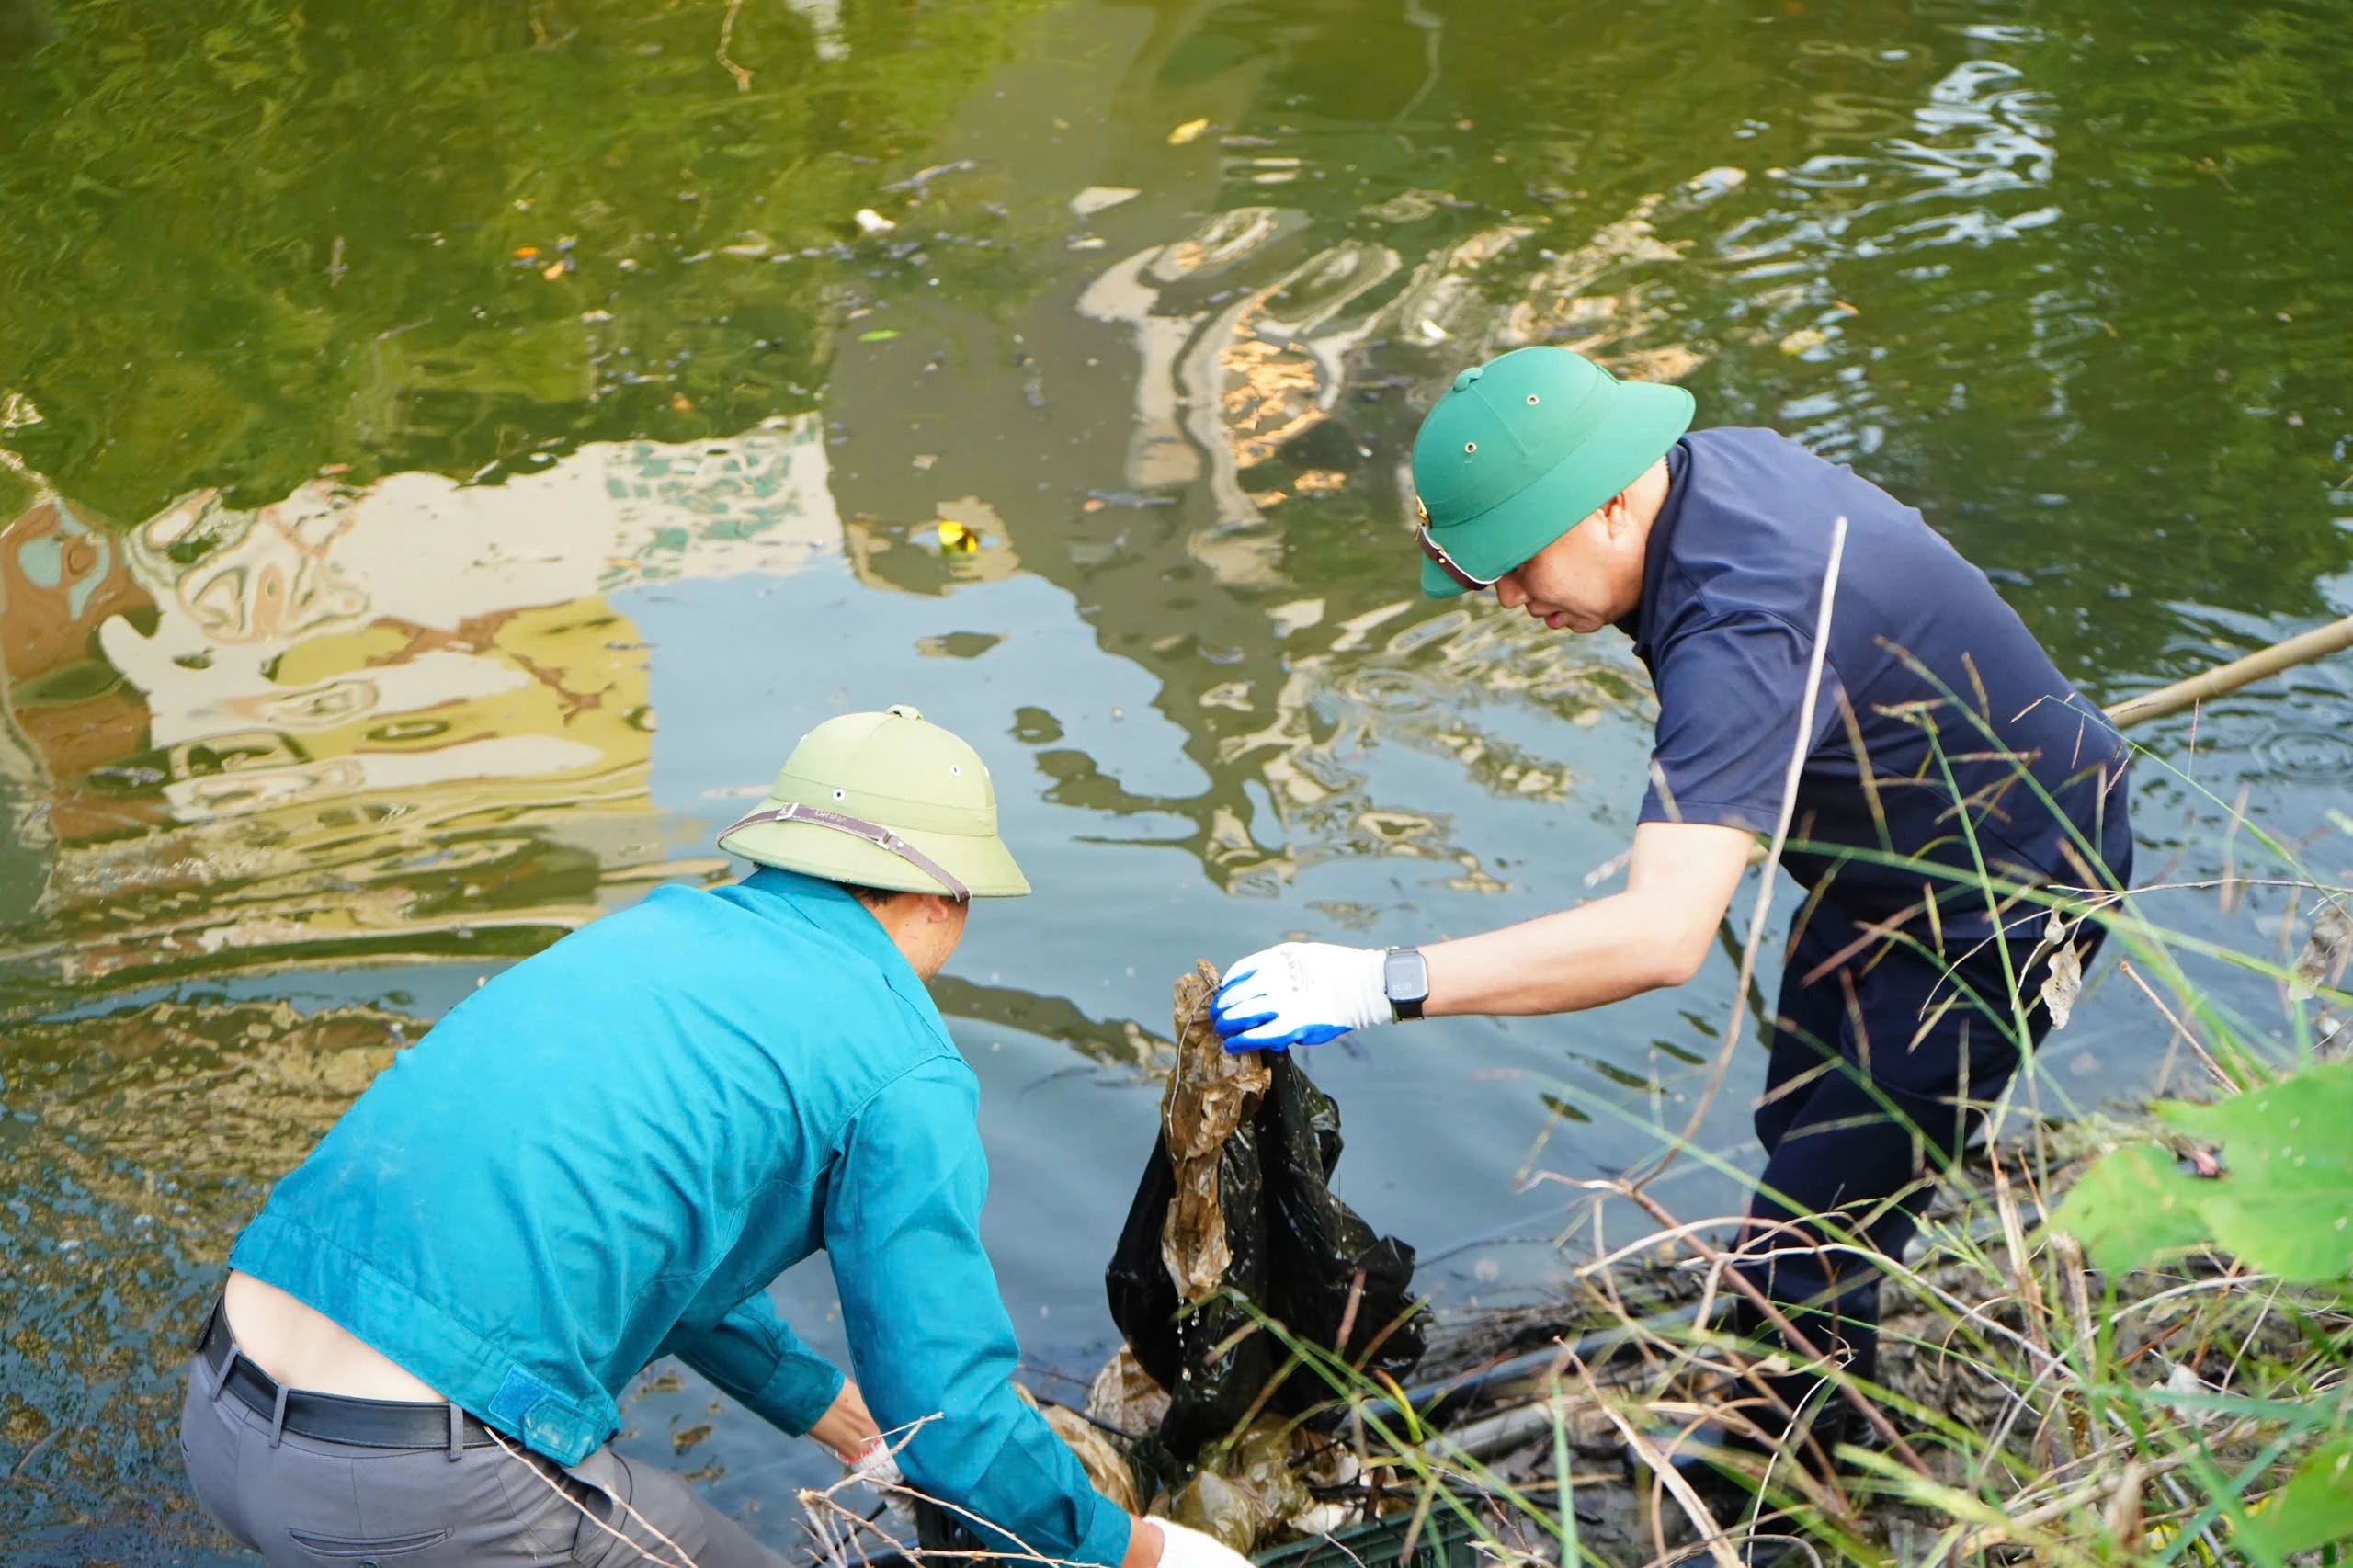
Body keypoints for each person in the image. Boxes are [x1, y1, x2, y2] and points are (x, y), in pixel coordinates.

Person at [1210, 347, 2133, 1471]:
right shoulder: (1698, 481)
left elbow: (1658, 938)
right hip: (1883, 863)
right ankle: (1832, 1400)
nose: (1506, 597)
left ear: (1607, 501)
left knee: (1810, 1243)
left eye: (1514, 562)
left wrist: (1376, 981)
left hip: (2006, 898)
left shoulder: (1741, 624)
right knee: (1803, 1127)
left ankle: (1776, 1498)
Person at [182, 704, 1250, 1568]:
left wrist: (833, 1414)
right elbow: (953, 1413)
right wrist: (1141, 1548)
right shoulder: (903, 1060)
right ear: (946, 894)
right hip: (416, 1483)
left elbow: (663, 1243)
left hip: (221, 1411)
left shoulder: (648, 934)